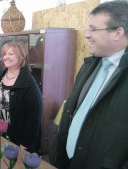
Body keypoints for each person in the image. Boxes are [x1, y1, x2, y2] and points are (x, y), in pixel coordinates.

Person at [49, 1, 128, 169]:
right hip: (67, 162)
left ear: (117, 33)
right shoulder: (88, 66)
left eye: (93, 29)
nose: (86, 35)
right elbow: (71, 110)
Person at [0, 41, 43, 153]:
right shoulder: (0, 76)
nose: (6, 57)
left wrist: (24, 145)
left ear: (21, 56)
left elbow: (34, 117)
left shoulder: (28, 82)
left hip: (15, 142)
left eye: (11, 54)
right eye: (4, 54)